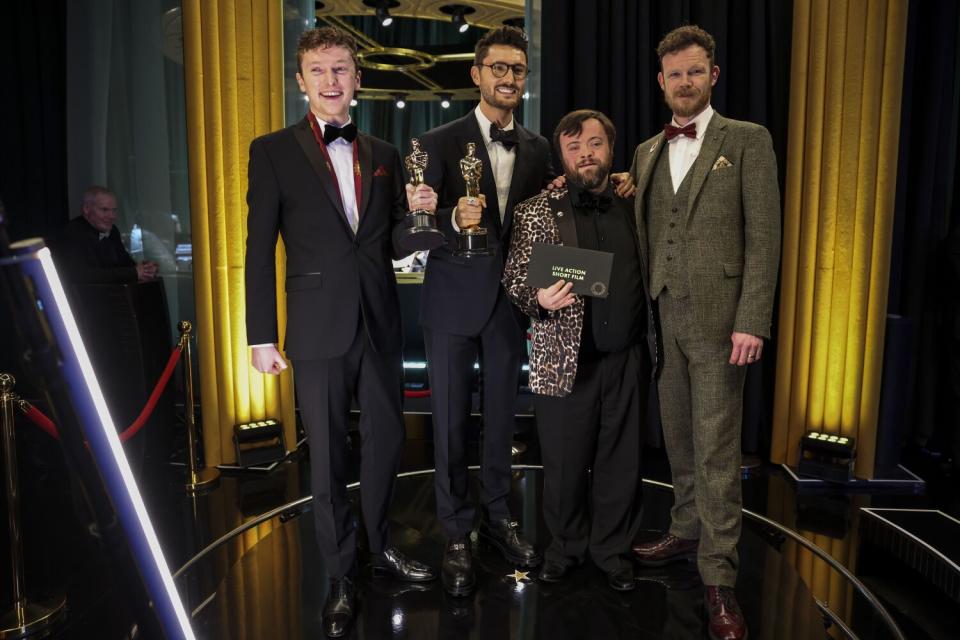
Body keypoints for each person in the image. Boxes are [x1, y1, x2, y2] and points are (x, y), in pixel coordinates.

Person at [244, 26, 437, 638]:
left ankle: (378, 548)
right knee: (326, 455)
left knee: (386, 444)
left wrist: (424, 215)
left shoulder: (384, 152)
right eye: (319, 71)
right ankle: (339, 573)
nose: (331, 81)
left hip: (380, 321)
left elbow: (397, 242)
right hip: (316, 326)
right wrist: (260, 334)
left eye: (341, 70)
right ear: (301, 81)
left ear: (357, 79)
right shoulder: (271, 150)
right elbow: (257, 249)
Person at [628, 25, 781, 640]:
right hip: (664, 321)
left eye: (695, 72)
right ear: (660, 82)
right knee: (678, 437)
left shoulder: (747, 140)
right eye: (674, 75)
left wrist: (753, 319)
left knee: (718, 450)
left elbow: (765, 238)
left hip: (723, 324)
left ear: (712, 76)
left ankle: (720, 580)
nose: (684, 83)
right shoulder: (644, 152)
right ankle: (686, 528)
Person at [416, 25, 554, 597]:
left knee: (501, 420)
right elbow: (411, 230)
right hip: (450, 304)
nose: (508, 78)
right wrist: (450, 219)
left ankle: (499, 517)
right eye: (498, 67)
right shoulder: (438, 141)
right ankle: (454, 531)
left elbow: (548, 226)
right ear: (476, 75)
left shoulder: (541, 149)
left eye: (517, 69)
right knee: (448, 422)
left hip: (508, 307)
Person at [502, 110, 654, 591]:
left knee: (621, 463)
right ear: (561, 156)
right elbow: (515, 280)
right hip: (563, 360)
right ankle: (564, 548)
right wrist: (538, 299)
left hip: (626, 356)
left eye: (594, 143)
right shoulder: (536, 210)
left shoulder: (638, 204)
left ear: (611, 149)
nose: (586, 153)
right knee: (564, 465)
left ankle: (612, 551)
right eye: (574, 147)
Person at [55, 186, 158, 284]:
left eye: (114, 210)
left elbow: (125, 263)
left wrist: (145, 269)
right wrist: (133, 273)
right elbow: (81, 275)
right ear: (86, 209)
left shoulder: (112, 231)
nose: (112, 216)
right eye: (104, 210)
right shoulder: (72, 233)